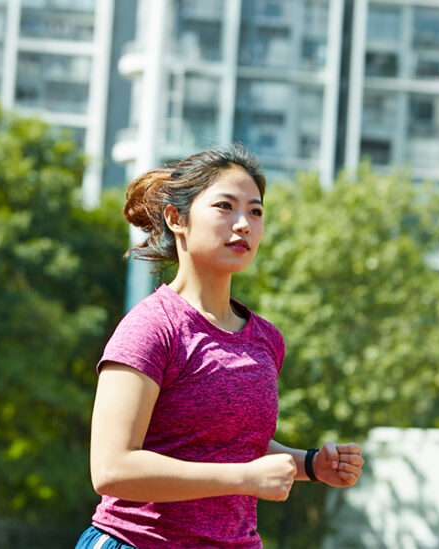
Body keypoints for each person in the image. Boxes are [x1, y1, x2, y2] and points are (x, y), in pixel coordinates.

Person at [76, 144, 364, 549]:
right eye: (225, 207)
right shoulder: (151, 328)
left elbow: (227, 441)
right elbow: (111, 468)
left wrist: (311, 464)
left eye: (256, 211)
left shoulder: (266, 339)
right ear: (177, 219)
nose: (243, 224)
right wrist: (243, 478)